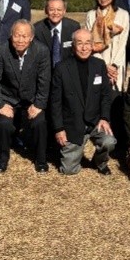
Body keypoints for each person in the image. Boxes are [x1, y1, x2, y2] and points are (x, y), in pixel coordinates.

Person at [50, 29, 116, 176]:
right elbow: (55, 102)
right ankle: (73, 153)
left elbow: (105, 95)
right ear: (73, 46)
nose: (84, 48)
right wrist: (59, 129)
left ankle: (100, 162)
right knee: (68, 170)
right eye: (80, 43)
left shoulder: (99, 64)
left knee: (109, 141)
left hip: (95, 121)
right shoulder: (61, 68)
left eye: (88, 43)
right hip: (73, 124)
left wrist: (104, 117)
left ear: (92, 45)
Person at [0, 20, 52, 173]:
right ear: (11, 36)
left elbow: (44, 81)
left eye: (24, 36)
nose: (20, 40)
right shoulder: (1, 50)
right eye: (17, 35)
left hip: (32, 97)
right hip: (8, 97)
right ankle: (2, 158)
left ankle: (41, 159)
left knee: (40, 123)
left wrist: (38, 104)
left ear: (31, 38)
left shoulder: (41, 51)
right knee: (4, 124)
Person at [85, 0, 130, 91]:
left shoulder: (123, 14)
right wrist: (104, 65)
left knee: (115, 95)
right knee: (97, 93)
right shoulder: (91, 15)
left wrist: (114, 66)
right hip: (97, 61)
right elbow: (90, 43)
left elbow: (123, 43)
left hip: (116, 63)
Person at [33, 0, 79, 69]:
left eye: (59, 10)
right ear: (46, 11)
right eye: (51, 10)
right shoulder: (37, 29)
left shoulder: (73, 27)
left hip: (68, 70)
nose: (55, 13)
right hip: (46, 70)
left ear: (64, 11)